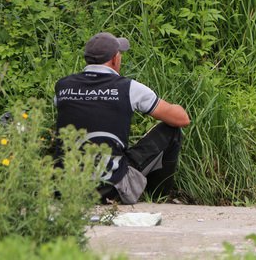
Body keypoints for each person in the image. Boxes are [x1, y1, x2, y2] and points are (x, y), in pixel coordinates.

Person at [54, 32, 190, 204]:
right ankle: (157, 197)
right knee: (171, 130)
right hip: (108, 189)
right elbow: (182, 119)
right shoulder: (129, 88)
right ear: (114, 59)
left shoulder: (63, 87)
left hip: (66, 188)